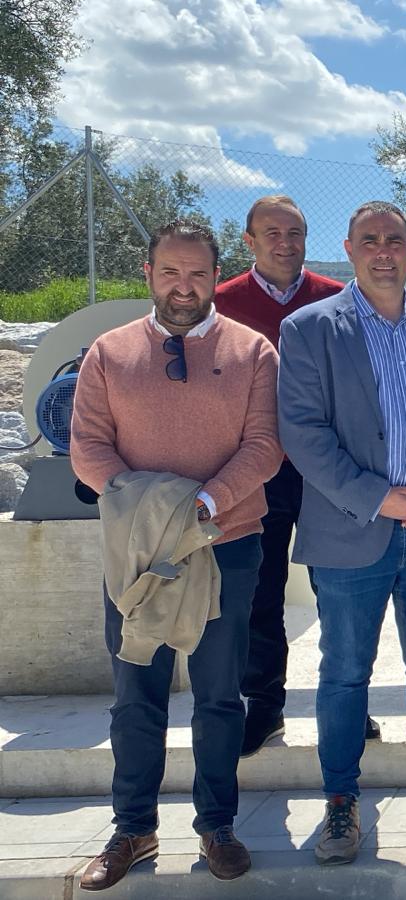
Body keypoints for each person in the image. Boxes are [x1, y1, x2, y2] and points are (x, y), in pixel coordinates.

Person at [71, 220, 282, 890]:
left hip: (226, 547)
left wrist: (204, 505)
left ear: (215, 275)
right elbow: (89, 449)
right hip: (138, 559)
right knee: (137, 693)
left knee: (220, 696)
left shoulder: (253, 353)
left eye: (196, 273)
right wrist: (156, 515)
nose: (183, 286)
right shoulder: (108, 353)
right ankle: (132, 827)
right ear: (148, 273)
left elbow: (264, 447)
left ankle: (216, 826)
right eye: (170, 272)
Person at [277, 201, 406, 864]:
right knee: (343, 674)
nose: (383, 250)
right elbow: (302, 432)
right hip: (349, 531)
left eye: (395, 239)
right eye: (370, 240)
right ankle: (341, 805)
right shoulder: (309, 329)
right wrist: (378, 498)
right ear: (349, 248)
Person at [212, 195, 357, 757]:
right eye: (271, 232)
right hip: (255, 472)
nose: (285, 242)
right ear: (249, 241)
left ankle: (347, 702)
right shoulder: (220, 304)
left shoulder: (337, 299)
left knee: (340, 592)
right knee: (259, 590)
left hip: (326, 470)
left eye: (294, 231)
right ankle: (264, 704)